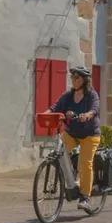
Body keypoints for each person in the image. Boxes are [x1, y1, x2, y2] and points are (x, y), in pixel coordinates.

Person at [45, 66, 101, 213]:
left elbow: (94, 109)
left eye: (77, 78)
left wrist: (87, 115)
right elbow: (55, 107)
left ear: (85, 80)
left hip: (90, 134)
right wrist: (44, 114)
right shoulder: (67, 96)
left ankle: (85, 198)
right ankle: (71, 185)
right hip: (71, 133)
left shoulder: (92, 95)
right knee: (58, 152)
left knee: (85, 163)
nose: (74, 81)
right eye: (73, 78)